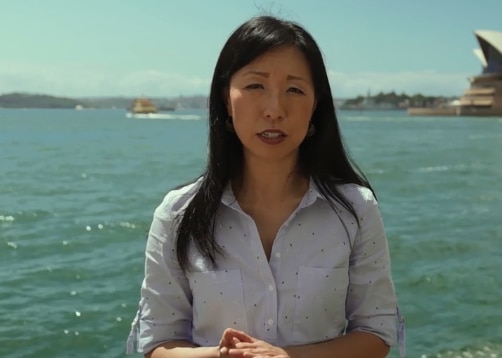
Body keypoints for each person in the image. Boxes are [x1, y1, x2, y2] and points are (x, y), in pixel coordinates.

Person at [127, 15, 404, 358]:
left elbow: (375, 333)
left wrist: (287, 357)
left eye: (295, 90)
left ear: (315, 105)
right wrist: (223, 356)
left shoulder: (356, 209)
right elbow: (158, 343)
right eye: (256, 86)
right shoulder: (178, 214)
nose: (275, 109)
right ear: (226, 100)